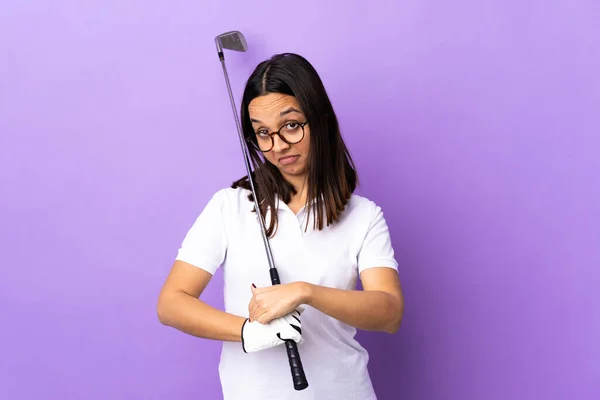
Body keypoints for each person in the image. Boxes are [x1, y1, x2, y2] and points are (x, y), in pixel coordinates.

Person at [157, 53, 404, 399]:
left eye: (291, 125)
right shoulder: (230, 206)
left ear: (318, 120)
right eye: (262, 133)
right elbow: (171, 303)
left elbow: (389, 312)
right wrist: (246, 332)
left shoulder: (364, 216)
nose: (279, 146)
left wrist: (305, 292)